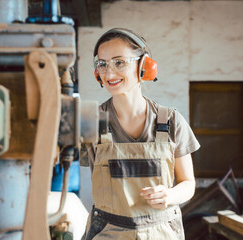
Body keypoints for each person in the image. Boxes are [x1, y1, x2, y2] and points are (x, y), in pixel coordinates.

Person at [80, 28, 200, 240]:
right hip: (108, 232)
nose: (109, 73)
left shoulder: (170, 121)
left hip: (162, 232)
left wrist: (171, 195)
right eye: (102, 64)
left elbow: (188, 184)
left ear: (144, 66)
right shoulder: (91, 121)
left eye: (119, 62)